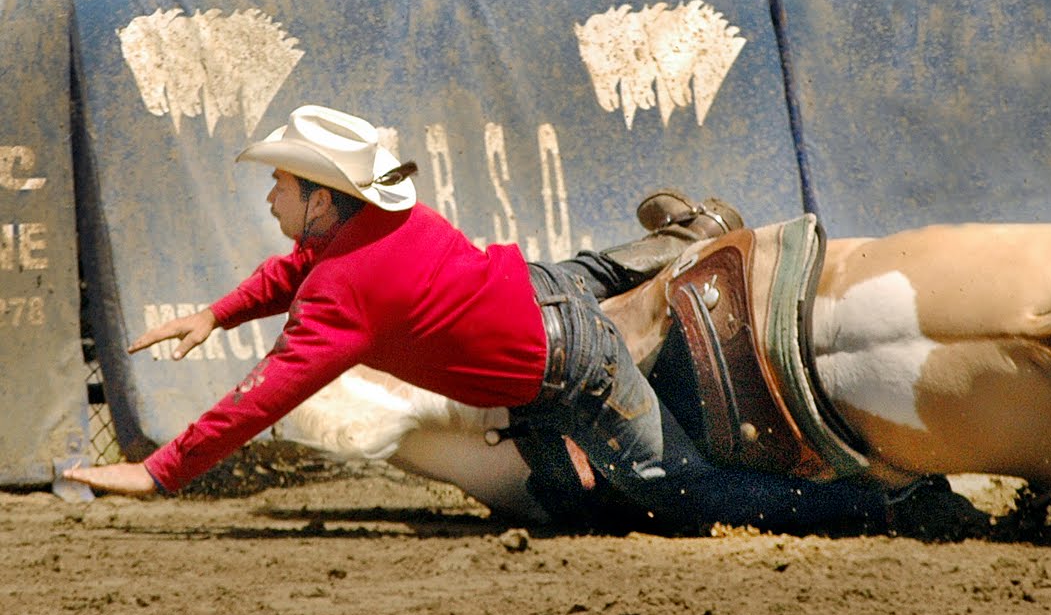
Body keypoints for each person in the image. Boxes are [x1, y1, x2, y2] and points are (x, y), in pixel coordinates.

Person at [63, 105, 890, 535]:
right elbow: (295, 269)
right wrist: (218, 311)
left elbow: (264, 394)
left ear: (322, 200)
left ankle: (876, 504)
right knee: (581, 277)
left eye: (281, 183)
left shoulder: (342, 288)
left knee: (683, 493)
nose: (270, 195)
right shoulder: (373, 225)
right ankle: (680, 240)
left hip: (572, 364)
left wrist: (162, 468)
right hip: (537, 293)